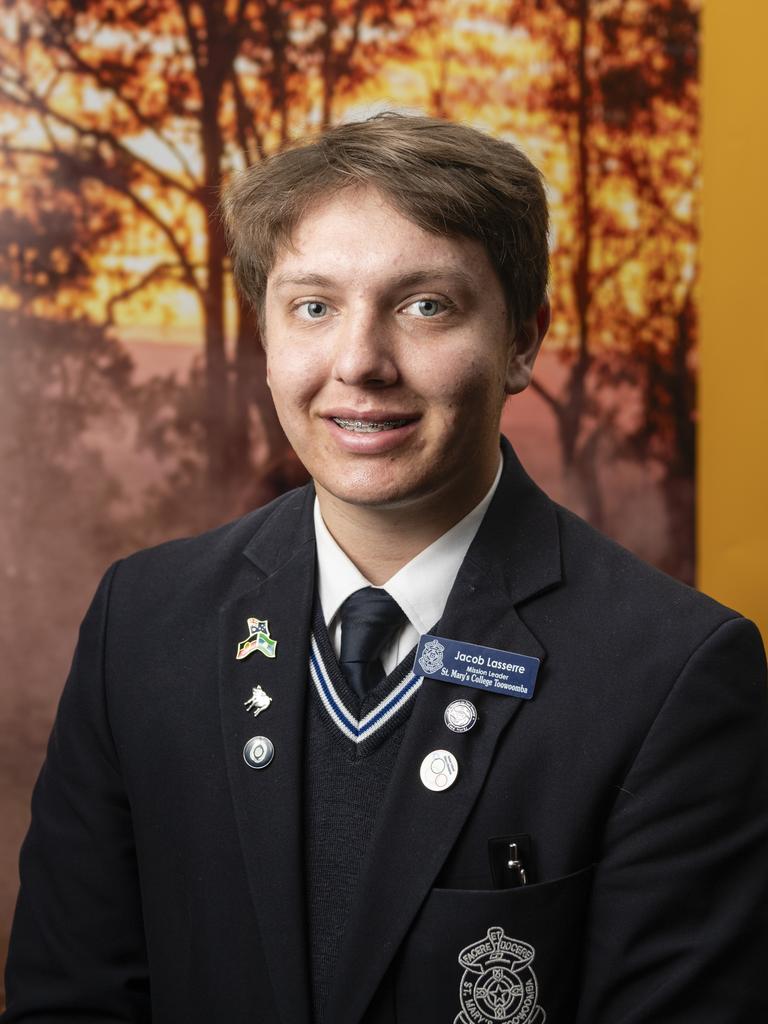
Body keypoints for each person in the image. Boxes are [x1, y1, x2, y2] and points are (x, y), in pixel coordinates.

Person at [3, 113, 767, 1024]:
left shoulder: (672, 674)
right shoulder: (143, 622)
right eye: (314, 307)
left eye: (425, 305)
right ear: (267, 333)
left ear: (523, 340)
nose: (359, 363)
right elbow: (70, 1000)